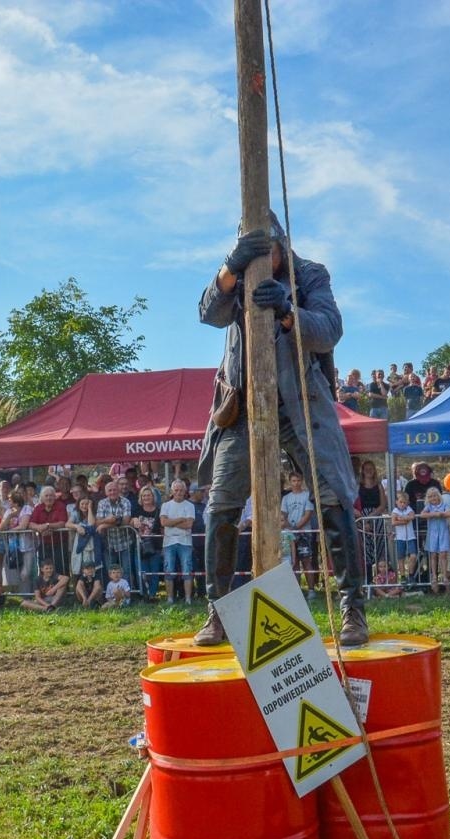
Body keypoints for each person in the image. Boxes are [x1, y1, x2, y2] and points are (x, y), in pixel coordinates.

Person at [194, 214, 366, 646]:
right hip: (243, 402)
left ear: (282, 246)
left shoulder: (309, 275)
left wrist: (290, 312)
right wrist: (232, 268)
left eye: (268, 252)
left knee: (333, 497)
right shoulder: (233, 272)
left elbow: (329, 330)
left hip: (300, 403)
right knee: (221, 504)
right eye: (254, 252)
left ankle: (352, 608)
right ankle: (218, 611)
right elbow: (208, 314)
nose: (263, 261)